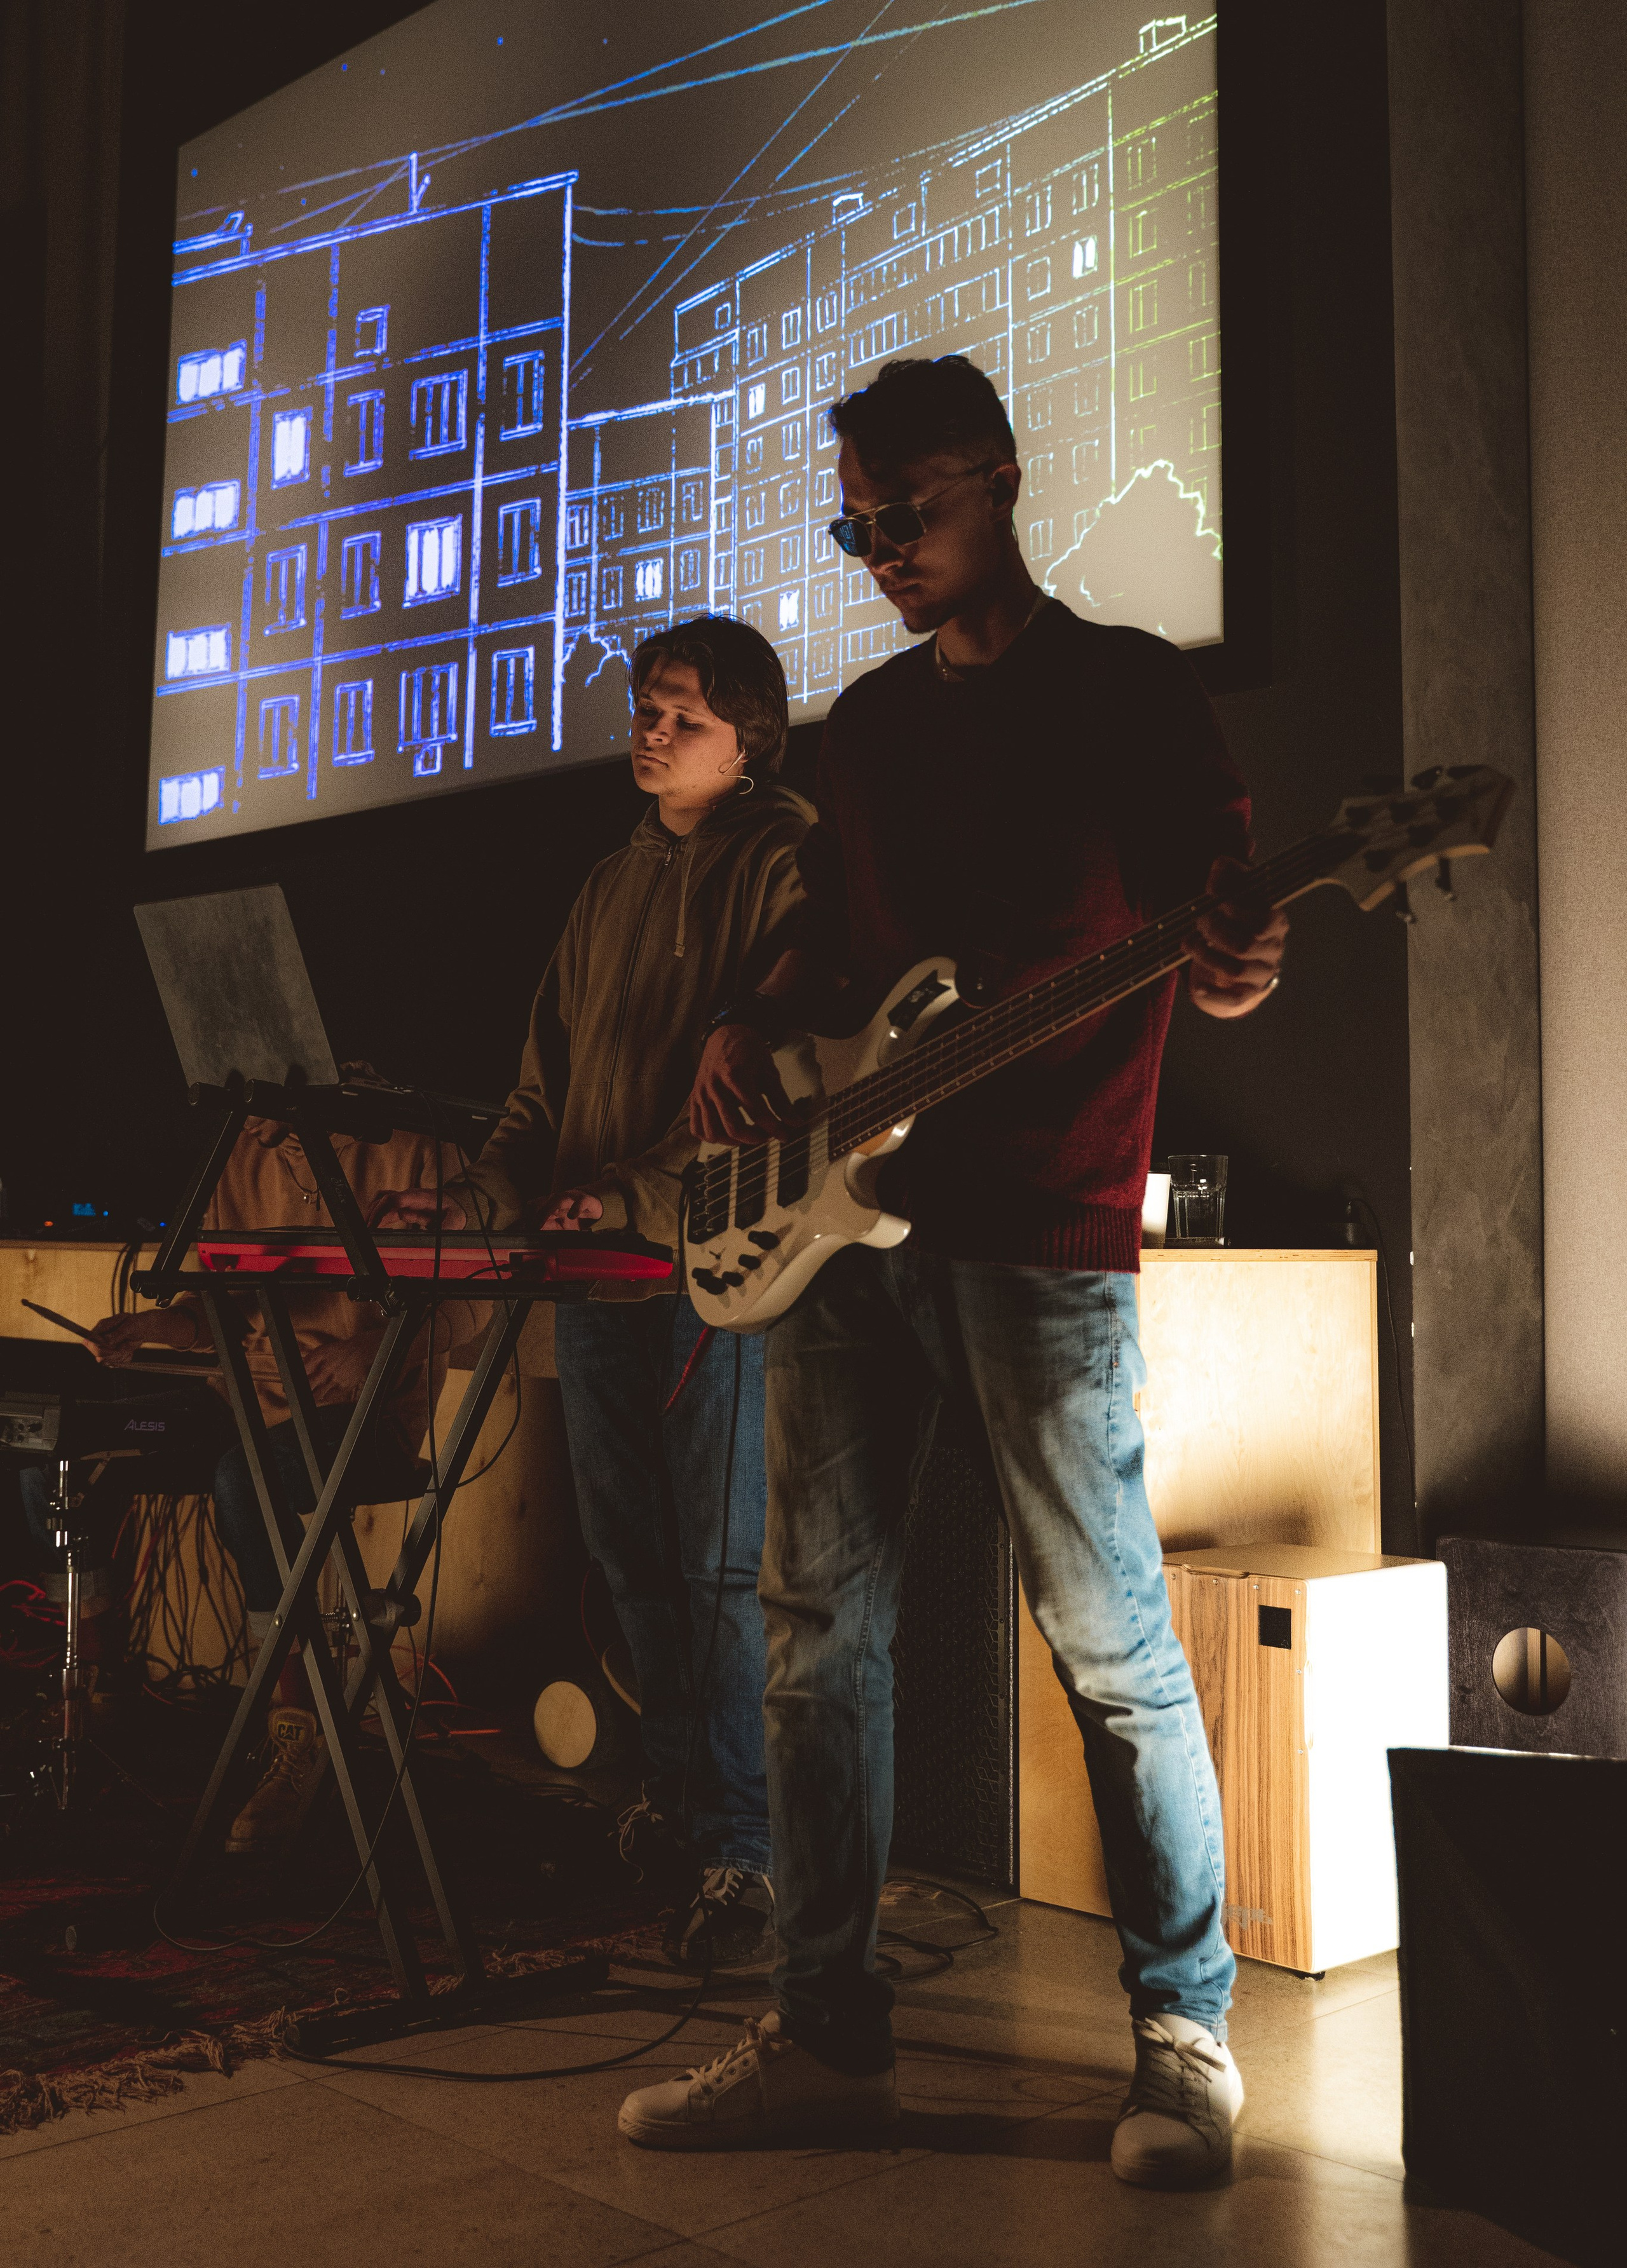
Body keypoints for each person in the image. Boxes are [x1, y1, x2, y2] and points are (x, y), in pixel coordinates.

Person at [619, 356, 1288, 2183]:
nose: (878, 550)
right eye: (853, 522)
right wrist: (753, 1026)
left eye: (903, 512)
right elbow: (841, 953)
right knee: (817, 1635)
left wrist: (1237, 962)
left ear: (1000, 479)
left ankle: (1182, 2036)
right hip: (852, 1230)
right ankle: (826, 2031)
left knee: (1110, 1642)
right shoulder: (866, 725)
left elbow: (1218, 915)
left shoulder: (1128, 689)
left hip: (1045, 1221)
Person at [373, 616, 810, 1969]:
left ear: (749, 736)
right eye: (645, 705)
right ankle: (678, 1815)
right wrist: (477, 1200)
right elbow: (533, 1104)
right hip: (591, 1279)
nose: (652, 727)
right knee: (631, 1571)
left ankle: (744, 1852)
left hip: (714, 1277)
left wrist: (627, 1196)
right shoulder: (603, 889)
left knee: (718, 1572)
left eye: (682, 711)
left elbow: (780, 1081)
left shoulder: (791, 866)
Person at [27, 1082, 471, 1851]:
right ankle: (104, 1684)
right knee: (53, 1456)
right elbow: (217, 1313)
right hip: (241, 1398)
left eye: (268, 1107)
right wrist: (154, 1326)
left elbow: (482, 1295)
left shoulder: (416, 1147)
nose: (256, 1126)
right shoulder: (245, 1151)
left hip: (364, 1416)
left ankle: (298, 1727)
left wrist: (376, 1352)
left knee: (247, 1482)